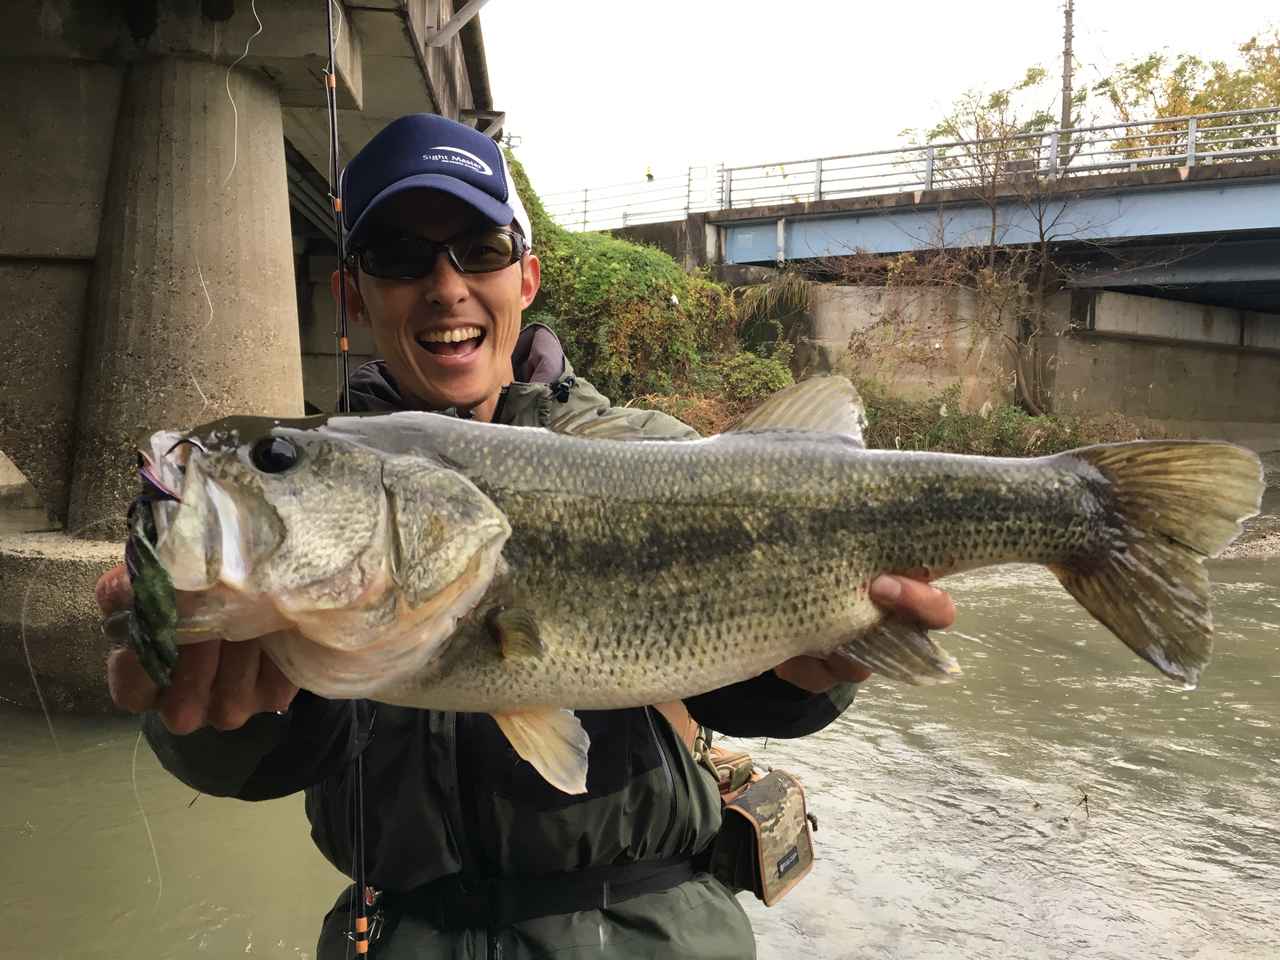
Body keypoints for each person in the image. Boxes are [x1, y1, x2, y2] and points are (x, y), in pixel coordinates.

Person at [97, 114, 956, 959]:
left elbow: (754, 686)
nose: (445, 286)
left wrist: (807, 674)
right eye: (400, 258)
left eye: (479, 251)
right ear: (353, 295)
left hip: (650, 933)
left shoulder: (656, 454)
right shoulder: (326, 510)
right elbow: (250, 768)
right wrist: (224, 714)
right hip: (400, 934)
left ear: (527, 276)